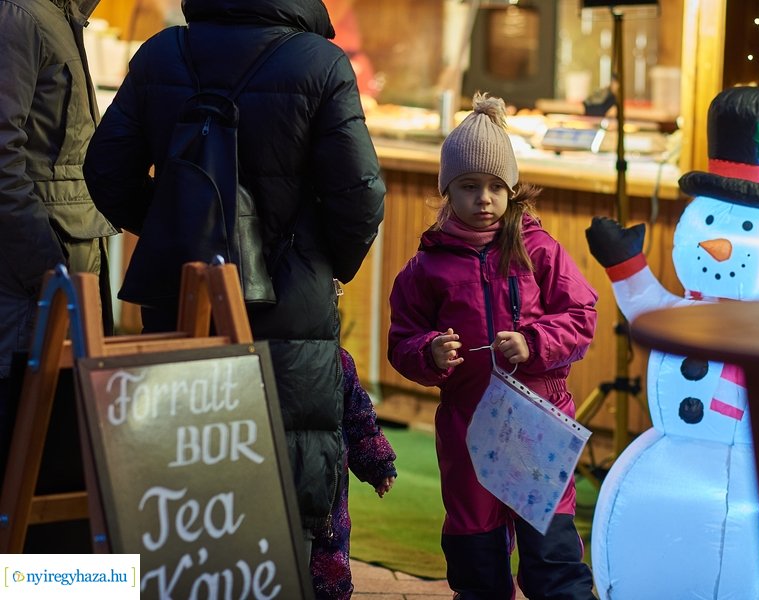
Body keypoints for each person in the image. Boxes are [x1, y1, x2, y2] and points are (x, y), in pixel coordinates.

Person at [82, 0, 386, 552]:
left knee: (185, 477)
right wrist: (321, 263)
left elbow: (105, 168)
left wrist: (174, 229)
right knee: (280, 493)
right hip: (291, 306)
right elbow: (361, 196)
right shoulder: (321, 62)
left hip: (182, 299)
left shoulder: (161, 54)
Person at [387, 92, 599, 600]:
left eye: (494, 187)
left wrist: (534, 341)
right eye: (468, 186)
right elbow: (403, 338)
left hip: (539, 426)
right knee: (476, 556)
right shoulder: (427, 267)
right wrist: (430, 352)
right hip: (468, 430)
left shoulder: (538, 250)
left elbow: (581, 316)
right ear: (446, 192)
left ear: (511, 191)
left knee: (553, 557)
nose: (483, 198)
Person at [0, 0, 117, 481]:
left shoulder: (61, 17)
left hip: (69, 274)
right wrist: (49, 271)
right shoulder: (22, 16)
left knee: (69, 468)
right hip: (38, 291)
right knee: (30, 468)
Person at [310, 346, 397, 599]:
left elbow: (358, 416)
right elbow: (359, 416)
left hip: (327, 472)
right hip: (309, 469)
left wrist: (378, 463)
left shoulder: (337, 361)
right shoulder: (337, 358)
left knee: (328, 544)